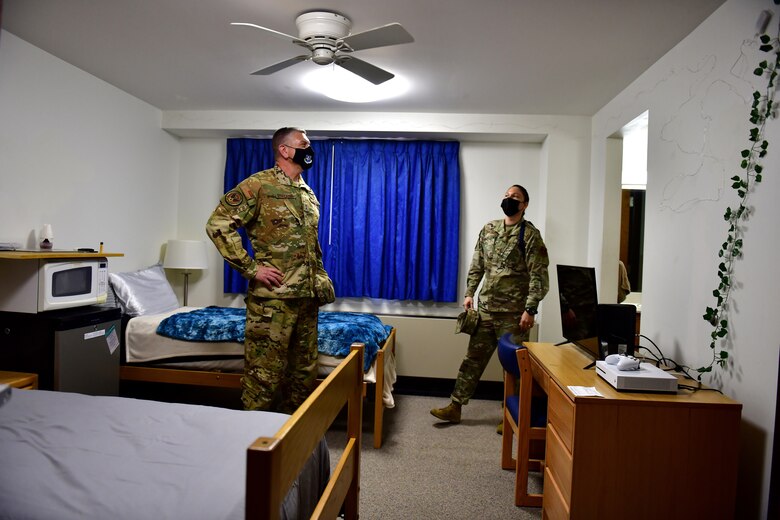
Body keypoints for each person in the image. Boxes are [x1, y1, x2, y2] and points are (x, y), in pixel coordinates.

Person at [206, 127, 335, 413]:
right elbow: (218, 225)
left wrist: (320, 277)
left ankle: (294, 444)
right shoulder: (259, 185)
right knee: (263, 377)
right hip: (273, 302)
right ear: (285, 150)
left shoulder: (307, 193)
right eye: (304, 144)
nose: (309, 149)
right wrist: (252, 268)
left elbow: (311, 245)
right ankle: (252, 445)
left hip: (306, 299)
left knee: (303, 375)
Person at [431, 184, 549, 424]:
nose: (509, 199)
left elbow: (539, 275)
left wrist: (530, 309)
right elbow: (478, 264)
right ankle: (455, 406)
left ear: (524, 205)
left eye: (515, 197)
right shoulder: (489, 229)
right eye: (506, 196)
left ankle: (511, 417)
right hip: (485, 311)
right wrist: (469, 293)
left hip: (513, 315)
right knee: (472, 360)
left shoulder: (530, 235)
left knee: (514, 368)